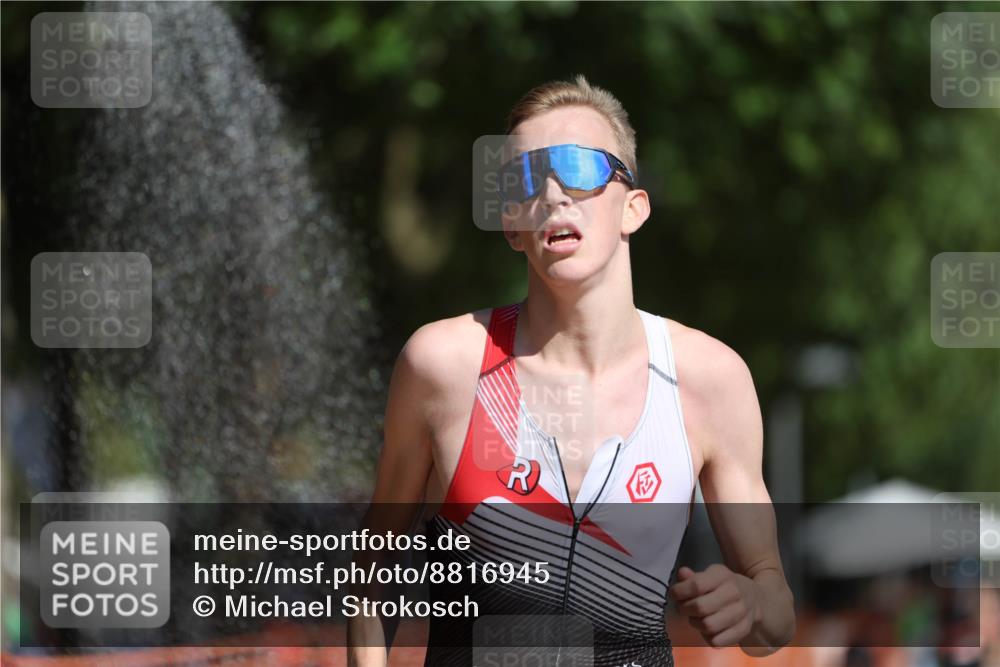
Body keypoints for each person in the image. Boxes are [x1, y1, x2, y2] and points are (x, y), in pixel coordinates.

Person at [347, 74, 795, 667]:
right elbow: (371, 574)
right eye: (526, 178)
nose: (553, 192)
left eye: (580, 168)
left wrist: (751, 601)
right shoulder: (444, 365)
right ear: (513, 225)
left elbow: (775, 616)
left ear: (634, 207)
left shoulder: (710, 379)